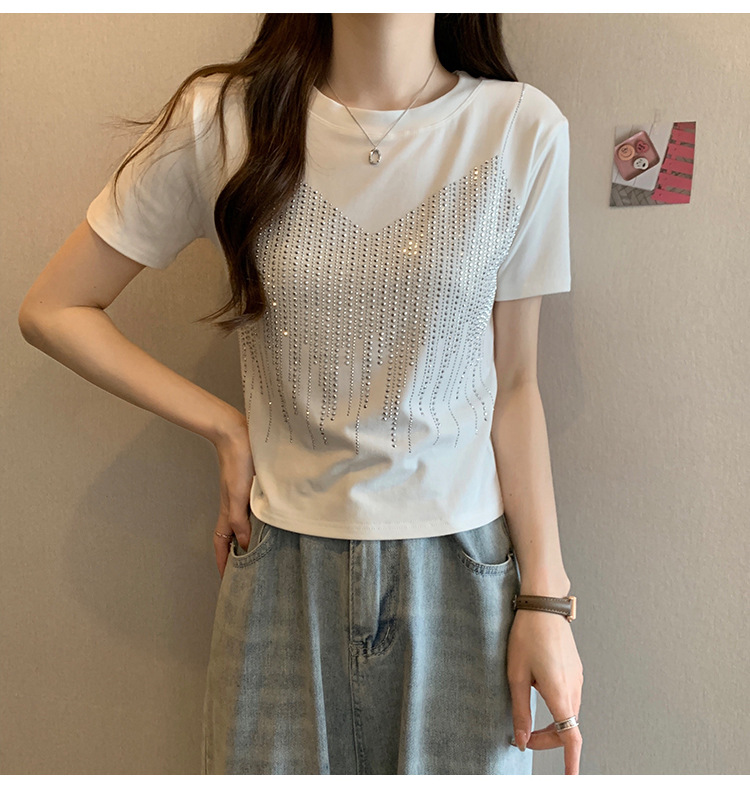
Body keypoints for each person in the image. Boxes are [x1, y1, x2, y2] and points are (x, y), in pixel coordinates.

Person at [18, 12, 584, 776]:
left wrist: (546, 601)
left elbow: (517, 385)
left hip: (462, 580)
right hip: (281, 572)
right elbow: (54, 308)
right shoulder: (222, 122)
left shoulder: (522, 130)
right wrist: (225, 425)